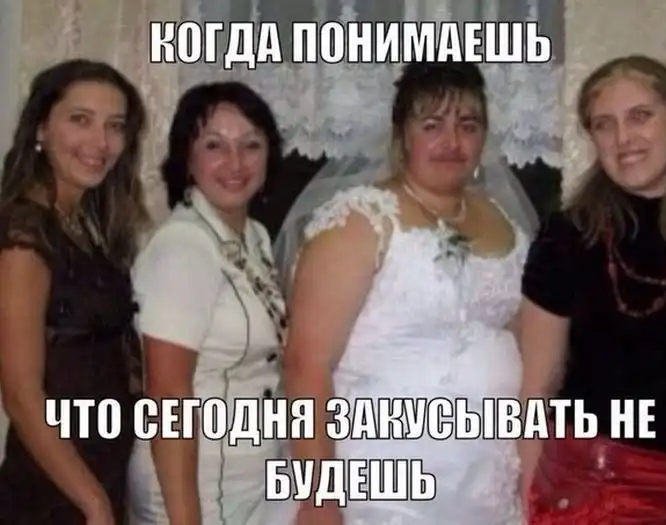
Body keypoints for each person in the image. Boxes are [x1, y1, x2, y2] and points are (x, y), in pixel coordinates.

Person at [262, 62, 539, 525]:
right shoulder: (358, 220)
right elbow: (305, 364)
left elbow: (528, 348)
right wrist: (319, 499)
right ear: (403, 135)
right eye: (432, 125)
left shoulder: (503, 221)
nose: (452, 141)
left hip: (487, 480)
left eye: (468, 125)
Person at [519, 54, 666, 523]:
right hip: (584, 489)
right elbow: (536, 390)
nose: (624, 139)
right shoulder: (567, 237)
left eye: (640, 116)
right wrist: (525, 501)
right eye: (604, 124)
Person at [127, 81, 286, 525]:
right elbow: (168, 397)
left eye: (251, 145)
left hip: (247, 478)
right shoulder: (183, 247)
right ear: (187, 158)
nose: (236, 163)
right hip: (192, 486)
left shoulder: (254, 236)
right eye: (214, 145)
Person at [0, 59, 148, 524]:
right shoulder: (25, 232)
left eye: (114, 126)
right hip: (55, 487)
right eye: (80, 120)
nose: (100, 143)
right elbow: (21, 394)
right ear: (41, 128)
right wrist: (93, 503)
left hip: (102, 466)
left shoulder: (85, 222)